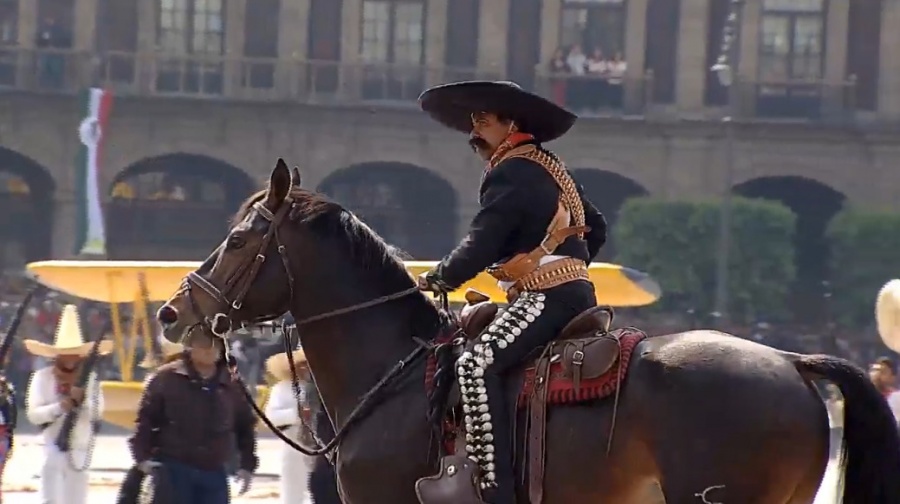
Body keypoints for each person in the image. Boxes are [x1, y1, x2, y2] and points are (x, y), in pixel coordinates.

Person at [416, 80, 607, 503]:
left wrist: (439, 278)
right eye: (473, 121)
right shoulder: (551, 167)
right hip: (572, 291)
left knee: (475, 365)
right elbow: (597, 226)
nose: (474, 130)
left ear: (511, 123)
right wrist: (567, 265)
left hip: (548, 298)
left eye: (484, 120)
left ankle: (494, 490)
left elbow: (484, 239)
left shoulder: (512, 169)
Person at [129, 333, 258, 504]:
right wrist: (142, 459)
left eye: (216, 344)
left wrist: (247, 466)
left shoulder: (232, 383)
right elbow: (146, 420)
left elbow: (245, 426)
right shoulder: (166, 378)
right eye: (203, 343)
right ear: (190, 346)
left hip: (215, 472)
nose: (209, 349)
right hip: (173, 469)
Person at [24, 304, 112, 504]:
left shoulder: (90, 379)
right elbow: (34, 415)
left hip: (80, 449)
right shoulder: (42, 377)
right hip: (51, 447)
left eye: (75, 354)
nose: (70, 358)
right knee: (50, 500)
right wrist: (61, 407)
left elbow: (98, 412)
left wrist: (83, 402)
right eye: (66, 353)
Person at [264, 348, 316, 504]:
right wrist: (296, 414)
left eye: (307, 365)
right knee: (292, 493)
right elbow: (272, 417)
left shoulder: (322, 386)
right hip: (293, 444)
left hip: (322, 446)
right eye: (300, 365)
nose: (304, 368)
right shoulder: (281, 389)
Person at [869, 356, 900, 424]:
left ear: (892, 377)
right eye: (874, 370)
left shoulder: (897, 398)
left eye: (883, 372)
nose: (877, 375)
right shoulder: (861, 398)